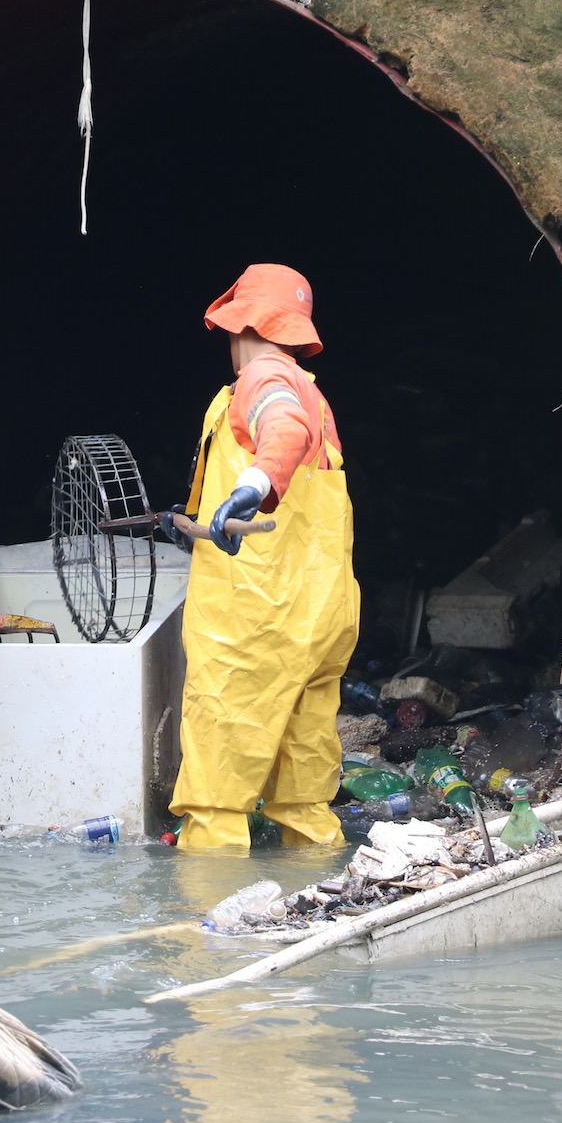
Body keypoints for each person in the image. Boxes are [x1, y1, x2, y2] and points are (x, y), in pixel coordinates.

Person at [161, 263, 360, 850]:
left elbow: (281, 429)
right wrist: (197, 521)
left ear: (240, 325)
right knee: (304, 799)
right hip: (320, 618)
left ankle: (211, 932)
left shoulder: (265, 376)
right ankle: (321, 907)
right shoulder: (315, 394)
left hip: (253, 624)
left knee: (216, 806)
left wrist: (251, 490)